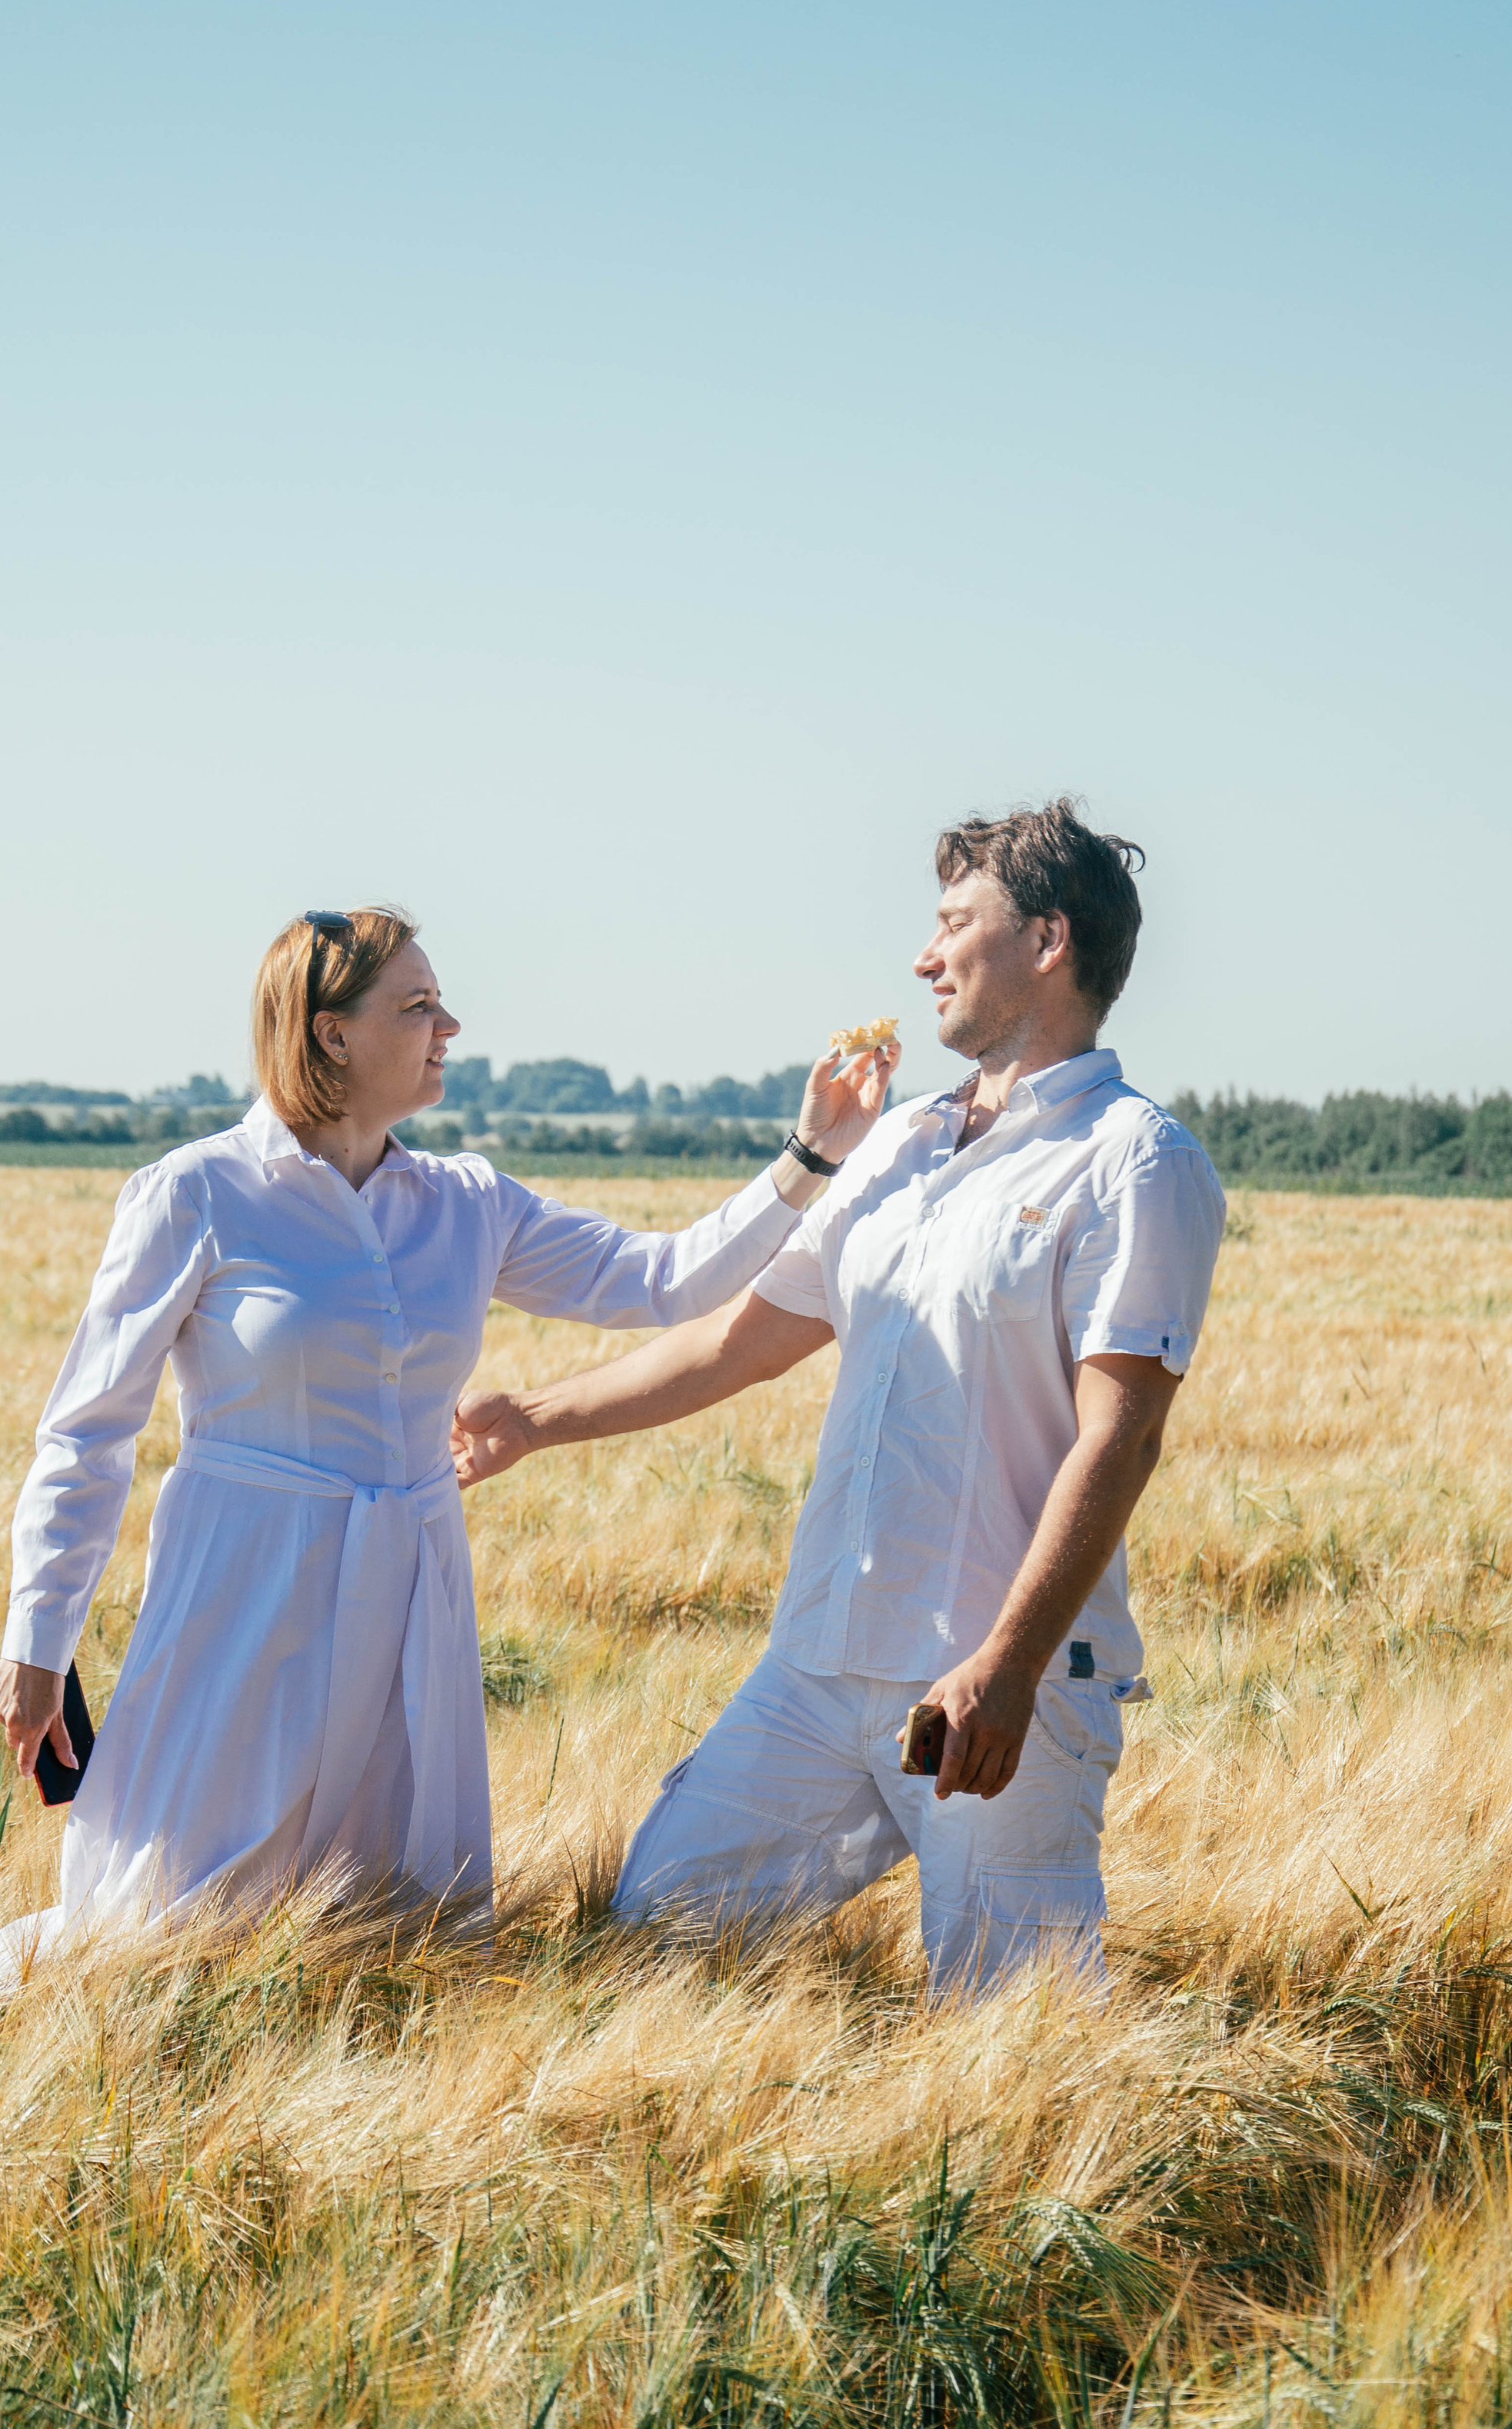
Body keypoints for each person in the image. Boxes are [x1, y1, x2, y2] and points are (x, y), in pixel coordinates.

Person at [0, 906, 896, 1990]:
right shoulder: (196, 1193)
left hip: (411, 1584)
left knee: (390, 1922)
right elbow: (88, 1429)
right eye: (417, 1005)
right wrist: (38, 1637)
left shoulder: (468, 1201)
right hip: (247, 1588)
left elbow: (667, 1279)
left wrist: (809, 1154)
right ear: (330, 1034)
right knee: (179, 1912)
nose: (448, 1024)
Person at [452, 803, 1226, 2001]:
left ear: (1049, 940)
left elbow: (1119, 1437)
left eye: (955, 924)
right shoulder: (903, 1142)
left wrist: (1008, 1665)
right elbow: (738, 1341)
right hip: (820, 1660)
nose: (924, 957)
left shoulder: (1136, 1160)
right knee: (655, 1929)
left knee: (1011, 2027)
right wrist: (537, 1418)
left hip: (987, 1679)